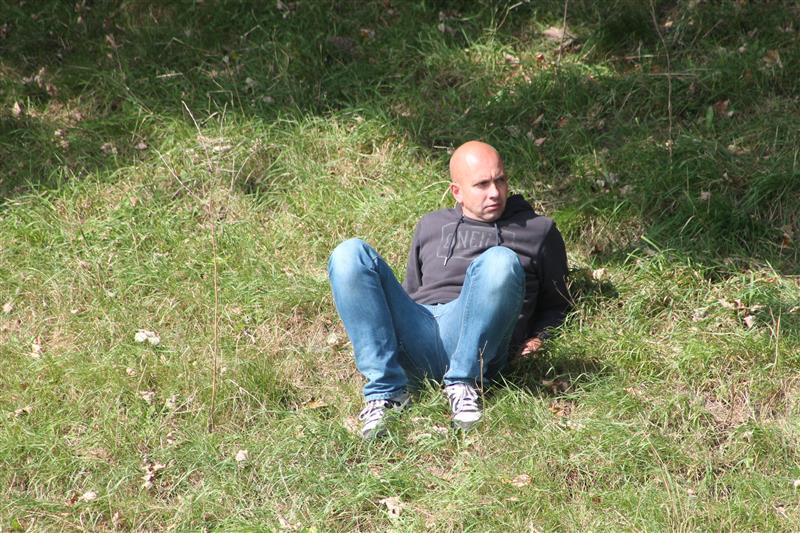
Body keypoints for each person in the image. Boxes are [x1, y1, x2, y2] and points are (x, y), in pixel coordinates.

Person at [327, 141, 569, 438]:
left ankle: (464, 382)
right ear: (457, 191)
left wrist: (540, 337)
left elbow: (558, 303)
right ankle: (385, 392)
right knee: (349, 253)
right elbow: (411, 292)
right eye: (482, 184)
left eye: (500, 180)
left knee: (500, 260)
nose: (495, 192)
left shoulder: (538, 230)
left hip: (479, 342)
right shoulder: (431, 225)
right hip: (420, 328)